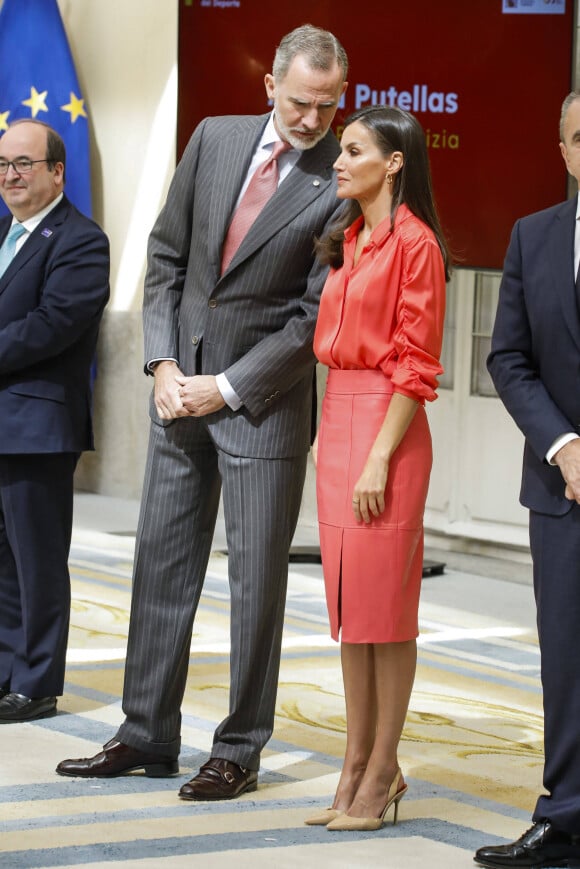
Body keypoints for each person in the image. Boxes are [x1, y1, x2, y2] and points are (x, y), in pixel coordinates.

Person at [56, 25, 348, 799]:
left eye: (327, 105)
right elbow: (165, 258)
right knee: (161, 568)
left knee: (256, 588)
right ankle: (146, 732)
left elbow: (312, 319)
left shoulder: (342, 179)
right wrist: (162, 365)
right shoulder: (214, 138)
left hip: (263, 408)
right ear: (269, 88)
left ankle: (239, 748)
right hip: (176, 394)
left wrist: (225, 385)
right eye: (299, 102)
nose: (313, 120)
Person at [304, 105, 449, 831]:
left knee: (387, 616)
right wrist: (336, 446)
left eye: (353, 149)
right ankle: (355, 762)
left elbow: (417, 365)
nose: (338, 159)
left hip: (387, 429)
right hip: (338, 422)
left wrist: (378, 458)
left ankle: (383, 766)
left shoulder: (415, 244)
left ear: (393, 162)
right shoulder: (349, 238)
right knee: (351, 614)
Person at [474, 91, 580, 868]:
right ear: (564, 148)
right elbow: (507, 357)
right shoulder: (532, 237)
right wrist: (564, 445)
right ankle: (567, 814)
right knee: (567, 659)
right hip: (561, 488)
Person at [0, 120, 110, 723]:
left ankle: (37, 681)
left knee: (36, 558)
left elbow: (53, 323)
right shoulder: (5, 235)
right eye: (2, 166)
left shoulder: (81, 240)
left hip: (37, 428)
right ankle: (4, 671)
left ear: (56, 172)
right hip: (1, 422)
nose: (10, 176)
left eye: (23, 164)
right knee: (0, 559)